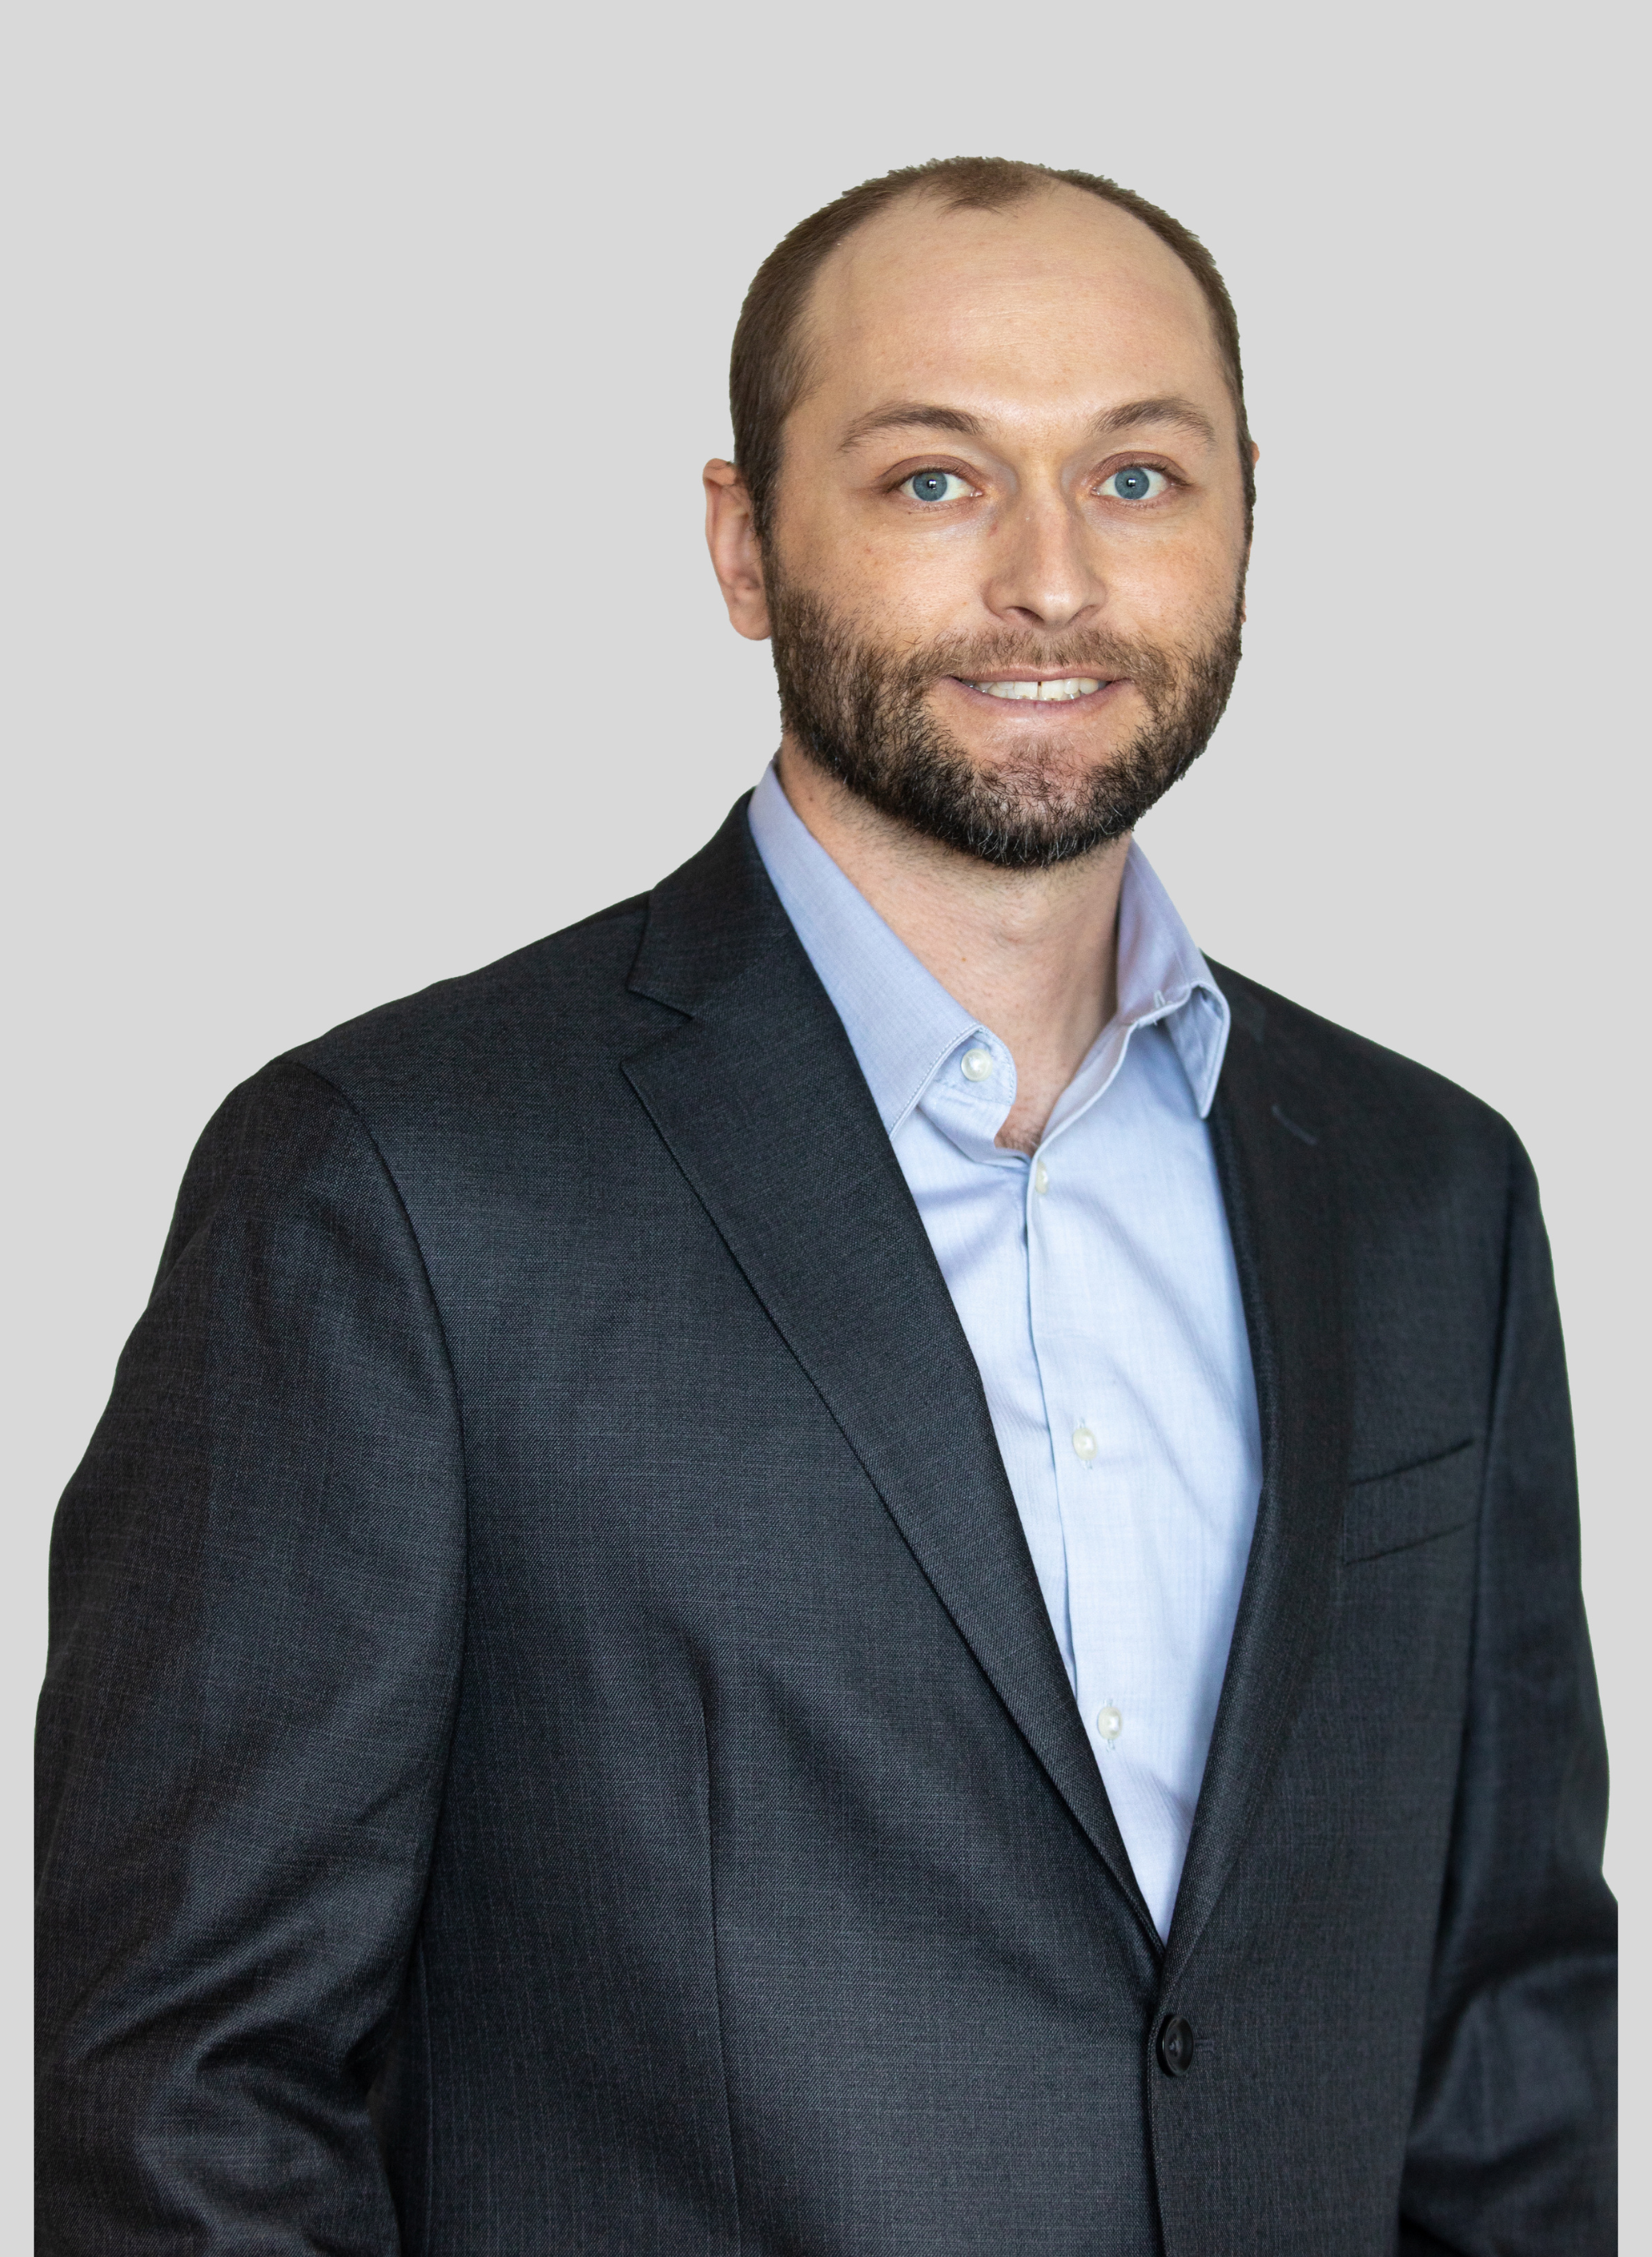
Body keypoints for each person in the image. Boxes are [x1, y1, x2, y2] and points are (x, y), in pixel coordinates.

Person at [36, 156, 1614, 2254]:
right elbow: (187, 2098)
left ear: (1249, 515)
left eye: (1140, 477)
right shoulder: (396, 1187)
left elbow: (1504, 2027)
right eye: (935, 481)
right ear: (743, 543)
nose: (1054, 580)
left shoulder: (1434, 1195)